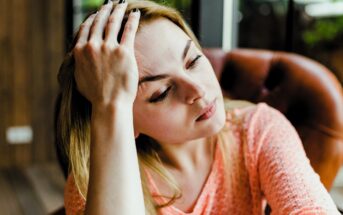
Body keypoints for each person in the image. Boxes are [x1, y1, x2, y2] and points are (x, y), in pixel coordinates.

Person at [57, 0, 340, 214]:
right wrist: (109, 106)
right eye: (162, 92)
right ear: (123, 121)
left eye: (193, 60)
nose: (198, 90)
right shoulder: (92, 179)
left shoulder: (258, 129)